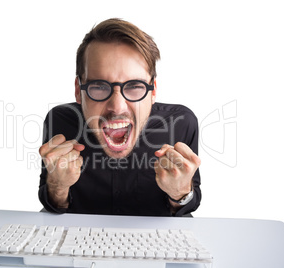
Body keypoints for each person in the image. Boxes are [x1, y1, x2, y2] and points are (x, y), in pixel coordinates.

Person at [38, 18, 201, 216]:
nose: (117, 107)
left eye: (134, 86)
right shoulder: (60, 121)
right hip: (77, 244)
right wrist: (58, 186)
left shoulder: (181, 123)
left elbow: (188, 206)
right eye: (98, 86)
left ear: (153, 91)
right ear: (78, 90)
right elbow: (52, 203)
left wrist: (180, 192)